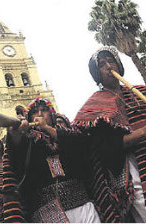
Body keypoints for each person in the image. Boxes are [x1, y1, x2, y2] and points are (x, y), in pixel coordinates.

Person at [73, 46, 146, 222]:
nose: (108, 66)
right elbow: (106, 147)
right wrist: (143, 133)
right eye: (101, 65)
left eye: (111, 60)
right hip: (133, 170)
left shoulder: (141, 91)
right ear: (97, 74)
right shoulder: (95, 107)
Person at [7, 96, 100, 222]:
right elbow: (16, 159)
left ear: (51, 114)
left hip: (83, 206)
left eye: (44, 110)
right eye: (34, 112)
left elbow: (82, 148)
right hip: (46, 213)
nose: (40, 114)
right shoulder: (27, 143)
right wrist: (15, 133)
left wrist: (47, 128)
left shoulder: (69, 134)